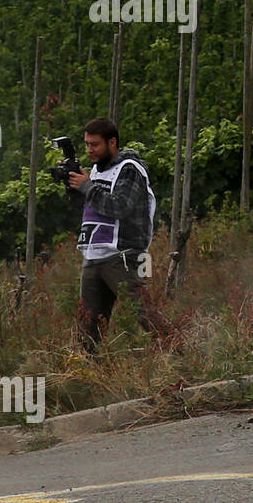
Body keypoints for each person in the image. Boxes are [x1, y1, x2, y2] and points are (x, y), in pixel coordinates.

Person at [67, 117, 170, 353]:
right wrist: (76, 187)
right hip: (94, 255)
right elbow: (90, 209)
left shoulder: (130, 169)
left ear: (112, 142)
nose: (89, 150)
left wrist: (87, 186)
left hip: (121, 254)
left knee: (144, 314)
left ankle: (181, 356)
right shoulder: (96, 170)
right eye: (87, 144)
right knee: (88, 324)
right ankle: (91, 375)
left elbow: (119, 207)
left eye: (95, 145)